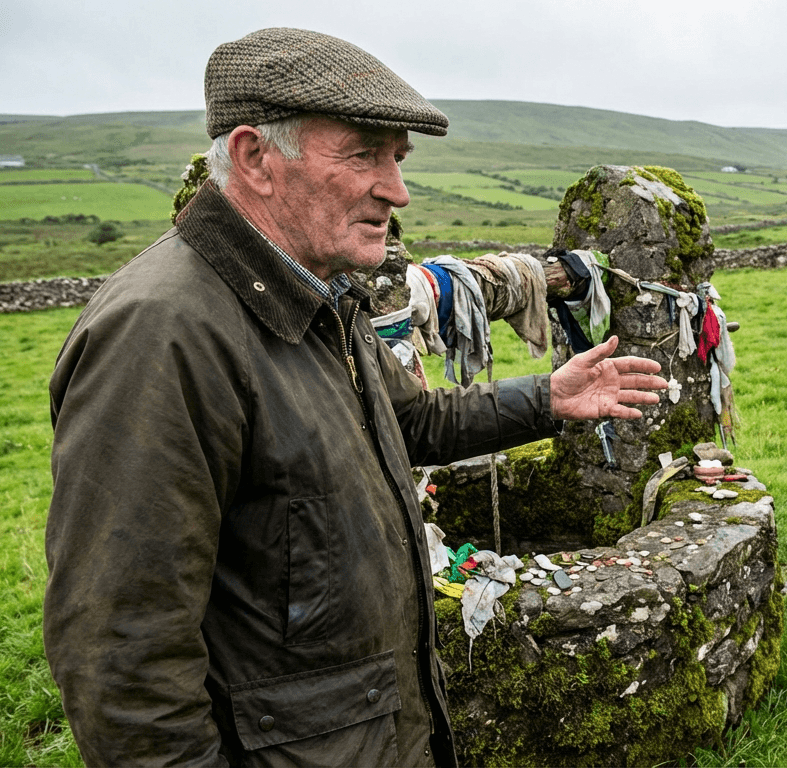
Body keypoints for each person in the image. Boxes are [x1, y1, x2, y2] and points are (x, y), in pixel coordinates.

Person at [43, 28, 666, 767]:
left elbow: (409, 422)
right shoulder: (163, 333)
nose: (396, 193)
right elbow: (123, 657)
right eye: (364, 153)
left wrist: (546, 400)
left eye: (397, 159)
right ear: (255, 158)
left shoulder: (319, 294)